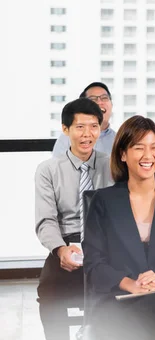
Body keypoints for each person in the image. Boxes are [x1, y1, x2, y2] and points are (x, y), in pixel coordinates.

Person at [82, 116, 155, 339]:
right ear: (123, 154)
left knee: (154, 309)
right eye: (139, 148)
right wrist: (130, 284)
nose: (148, 156)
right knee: (136, 317)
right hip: (117, 297)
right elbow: (93, 263)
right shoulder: (103, 201)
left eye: (154, 147)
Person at [35, 98, 113, 340]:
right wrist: (60, 250)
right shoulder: (48, 170)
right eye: (80, 127)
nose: (87, 134)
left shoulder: (112, 166)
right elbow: (45, 220)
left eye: (93, 126)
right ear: (65, 129)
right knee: (49, 291)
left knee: (119, 291)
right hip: (67, 244)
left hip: (106, 245)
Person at [52, 82, 116, 157]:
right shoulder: (67, 137)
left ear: (111, 104)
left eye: (104, 98)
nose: (99, 102)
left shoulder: (119, 140)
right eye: (93, 99)